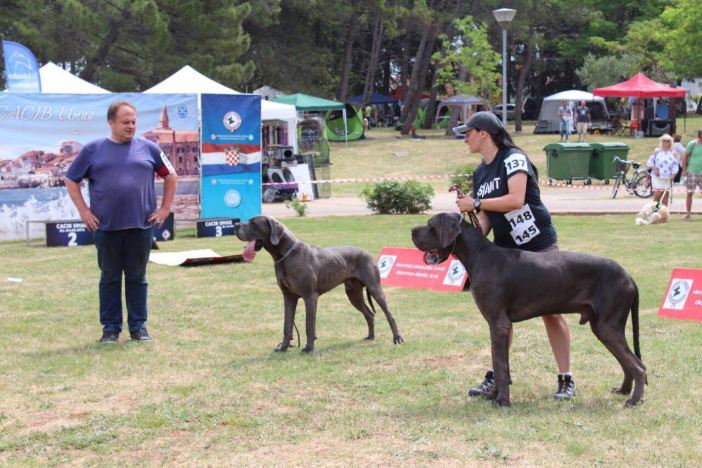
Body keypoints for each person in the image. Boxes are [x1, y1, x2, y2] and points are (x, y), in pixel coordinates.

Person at [453, 111, 575, 401]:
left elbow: (516, 199)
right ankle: (498, 375)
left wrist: (478, 201)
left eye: (468, 132)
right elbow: (483, 225)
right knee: (499, 316)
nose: (465, 138)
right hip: (506, 253)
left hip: (539, 245)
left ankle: (566, 378)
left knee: (552, 311)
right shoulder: (480, 172)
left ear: (484, 133)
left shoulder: (513, 158)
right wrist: (469, 219)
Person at [64, 101, 178, 343]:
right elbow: (71, 180)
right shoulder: (93, 150)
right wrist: (84, 210)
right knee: (110, 278)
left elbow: (171, 175)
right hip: (106, 228)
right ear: (111, 122)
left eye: (134, 122)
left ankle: (138, 327)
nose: (131, 126)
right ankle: (110, 329)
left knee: (138, 278)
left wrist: (165, 208)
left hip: (141, 227)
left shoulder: (149, 148)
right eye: (125, 122)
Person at [646, 134, 678, 206]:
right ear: (661, 142)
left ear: (670, 142)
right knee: (658, 193)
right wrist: (655, 169)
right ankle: (655, 210)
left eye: (667, 141)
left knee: (665, 195)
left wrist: (673, 174)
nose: (665, 142)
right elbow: (649, 162)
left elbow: (675, 165)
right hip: (657, 176)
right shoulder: (656, 151)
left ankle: (663, 213)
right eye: (664, 141)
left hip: (667, 177)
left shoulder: (673, 153)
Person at [681, 128, 702, 220]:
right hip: (692, 171)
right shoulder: (692, 144)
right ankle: (688, 213)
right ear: (700, 135)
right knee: (690, 193)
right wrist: (684, 170)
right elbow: (685, 157)